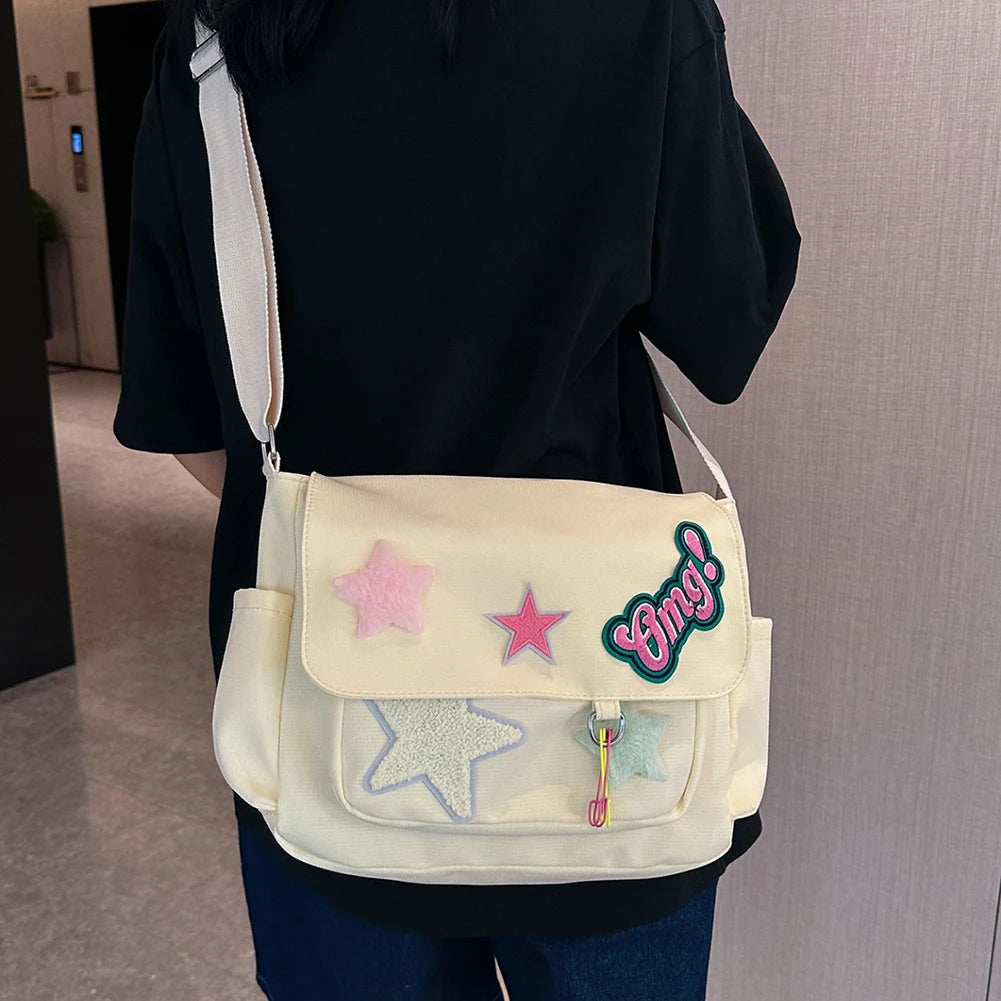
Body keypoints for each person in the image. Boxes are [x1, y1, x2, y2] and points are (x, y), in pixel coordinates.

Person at [112, 0, 801, 997]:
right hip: (610, 723)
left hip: (324, 732)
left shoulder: (210, 44)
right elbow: (727, 324)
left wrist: (354, 543)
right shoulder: (637, 17)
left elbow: (182, 420)